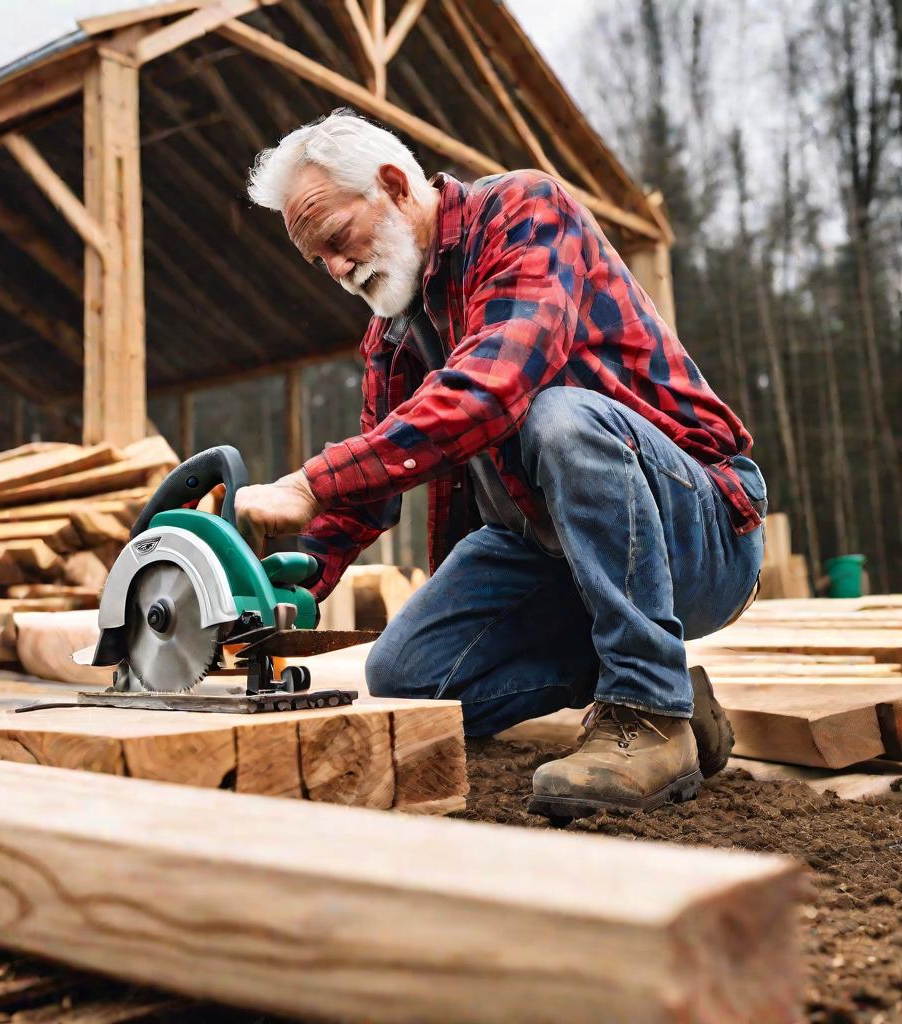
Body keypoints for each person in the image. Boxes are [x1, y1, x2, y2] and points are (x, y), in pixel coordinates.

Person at [233, 109, 766, 822]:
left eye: (335, 239)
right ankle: (665, 683)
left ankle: (648, 711)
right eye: (317, 260)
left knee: (561, 417)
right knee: (407, 679)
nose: (335, 268)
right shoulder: (391, 334)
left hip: (701, 534)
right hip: (549, 553)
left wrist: (309, 480)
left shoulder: (523, 212)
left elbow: (493, 387)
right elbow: (364, 502)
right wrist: (277, 595)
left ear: (394, 185)